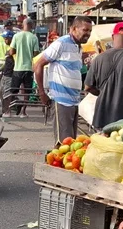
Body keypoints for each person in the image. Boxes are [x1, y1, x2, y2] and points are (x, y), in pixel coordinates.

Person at [34, 16, 93, 145]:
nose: (87, 34)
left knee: (70, 145)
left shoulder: (78, 47)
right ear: (73, 29)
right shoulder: (61, 43)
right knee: (63, 144)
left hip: (73, 102)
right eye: (85, 30)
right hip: (61, 102)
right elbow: (38, 65)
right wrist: (42, 93)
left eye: (90, 31)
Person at [84, 22, 123, 129]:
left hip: (102, 115)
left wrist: (103, 94)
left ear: (113, 37)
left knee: (104, 144)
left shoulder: (98, 59)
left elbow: (88, 87)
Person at [9, 18, 40, 117]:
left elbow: (11, 52)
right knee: (27, 91)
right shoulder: (34, 37)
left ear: (23, 25)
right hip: (29, 68)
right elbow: (36, 54)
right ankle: (23, 111)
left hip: (17, 68)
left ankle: (10, 110)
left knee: (13, 91)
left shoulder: (16, 36)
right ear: (31, 25)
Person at [0, 31, 15, 118]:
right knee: (1, 92)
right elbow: (6, 63)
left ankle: (8, 111)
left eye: (6, 38)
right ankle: (4, 110)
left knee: (7, 94)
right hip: (5, 73)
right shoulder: (9, 49)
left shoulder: (14, 49)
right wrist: (0, 70)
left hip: (10, 74)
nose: (5, 40)